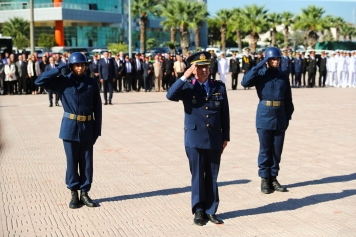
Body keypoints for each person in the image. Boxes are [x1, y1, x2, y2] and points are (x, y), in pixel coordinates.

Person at [166, 52, 230, 226]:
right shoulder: (187, 87)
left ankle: (211, 210)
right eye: (200, 67)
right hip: (194, 138)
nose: (204, 70)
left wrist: (226, 137)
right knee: (197, 176)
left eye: (206, 66)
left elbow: (225, 114)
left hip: (215, 137)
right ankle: (199, 210)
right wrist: (185, 75)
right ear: (193, 69)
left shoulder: (218, 87)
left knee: (212, 176)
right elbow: (170, 95)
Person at [35, 52, 102, 209]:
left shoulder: (91, 83)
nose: (80, 68)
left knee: (86, 163)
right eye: (77, 65)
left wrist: (97, 131)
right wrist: (59, 68)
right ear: (71, 66)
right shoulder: (62, 82)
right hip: (69, 128)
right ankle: (73, 193)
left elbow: (97, 108)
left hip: (87, 127)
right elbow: (39, 81)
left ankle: (84, 193)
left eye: (82, 65)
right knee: (72, 162)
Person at [241, 47, 294, 194]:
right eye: (272, 59)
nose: (276, 61)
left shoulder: (283, 76)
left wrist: (288, 116)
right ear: (267, 60)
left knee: (277, 150)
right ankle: (264, 179)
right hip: (264, 114)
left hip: (280, 115)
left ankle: (273, 178)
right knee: (265, 149)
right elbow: (244, 82)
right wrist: (258, 66)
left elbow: (288, 98)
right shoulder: (260, 74)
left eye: (277, 59)